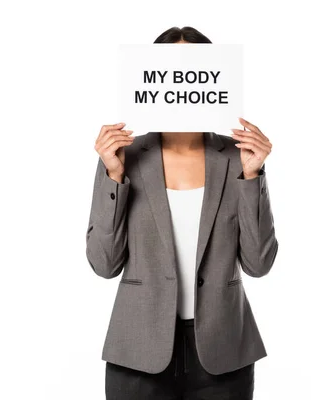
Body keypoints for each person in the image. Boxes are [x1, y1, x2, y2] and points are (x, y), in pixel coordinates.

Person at [86, 26, 279, 400]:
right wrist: (112, 174)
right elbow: (103, 263)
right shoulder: (126, 157)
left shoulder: (235, 158)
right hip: (138, 352)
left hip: (223, 353)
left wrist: (253, 174)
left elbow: (258, 263)